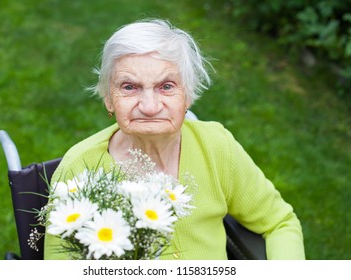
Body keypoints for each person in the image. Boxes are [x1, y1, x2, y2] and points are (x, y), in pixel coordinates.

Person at [44, 19, 305, 260]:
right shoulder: (79, 169)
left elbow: (279, 222)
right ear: (108, 99)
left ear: (187, 96)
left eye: (166, 86)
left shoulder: (216, 146)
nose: (149, 106)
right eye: (129, 87)